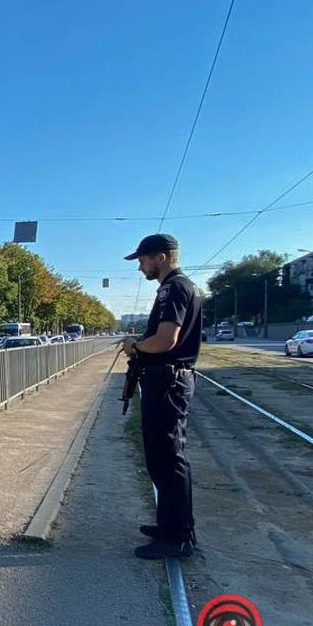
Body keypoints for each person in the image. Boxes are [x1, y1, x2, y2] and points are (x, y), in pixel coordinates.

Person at [122, 233, 203, 559]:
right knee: (162, 457)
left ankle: (178, 537)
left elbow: (166, 340)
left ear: (161, 257)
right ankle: (170, 525)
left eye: (142, 261)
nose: (140, 268)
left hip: (168, 383)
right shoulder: (181, 287)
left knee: (169, 459)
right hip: (168, 382)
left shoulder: (174, 288)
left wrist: (136, 346)